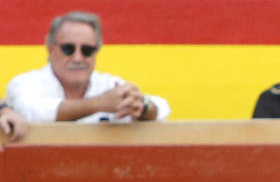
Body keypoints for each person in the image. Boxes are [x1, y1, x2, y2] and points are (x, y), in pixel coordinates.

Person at [6, 12, 171, 124]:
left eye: (87, 50)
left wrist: (142, 106)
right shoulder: (25, 83)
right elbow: (33, 113)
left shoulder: (109, 85)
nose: (78, 58)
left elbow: (163, 108)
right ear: (50, 48)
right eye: (68, 49)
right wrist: (99, 104)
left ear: (97, 52)